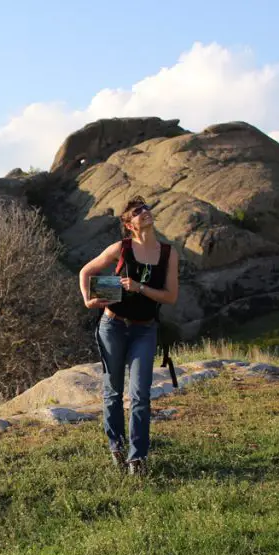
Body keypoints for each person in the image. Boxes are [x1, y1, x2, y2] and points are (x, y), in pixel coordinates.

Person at [78, 195, 179, 476]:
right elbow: (87, 271)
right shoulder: (121, 248)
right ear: (129, 224)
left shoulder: (169, 254)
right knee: (112, 393)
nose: (145, 212)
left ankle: (137, 458)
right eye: (138, 211)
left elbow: (170, 296)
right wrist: (88, 299)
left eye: (147, 208)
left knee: (140, 395)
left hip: (144, 329)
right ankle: (116, 447)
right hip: (112, 325)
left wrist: (139, 288)